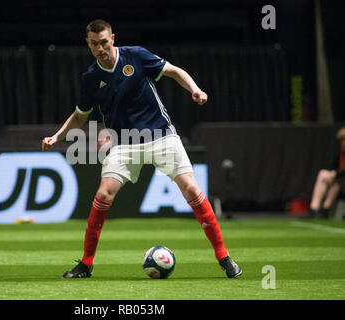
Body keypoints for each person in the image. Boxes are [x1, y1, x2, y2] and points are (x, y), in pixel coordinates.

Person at [42, 19, 242, 279]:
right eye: (94, 44)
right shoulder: (91, 78)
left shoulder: (135, 55)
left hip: (161, 135)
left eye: (104, 42)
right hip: (123, 141)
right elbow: (80, 115)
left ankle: (224, 257)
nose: (100, 48)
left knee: (192, 189)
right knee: (103, 194)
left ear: (112, 38)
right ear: (88, 44)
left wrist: (195, 89)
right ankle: (86, 264)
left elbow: (174, 71)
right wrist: (57, 137)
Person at [309, 126, 345, 217]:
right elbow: (333, 167)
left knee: (337, 180)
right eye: (341, 140)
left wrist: (336, 173)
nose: (343, 143)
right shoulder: (340, 153)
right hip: (340, 181)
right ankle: (316, 208)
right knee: (324, 175)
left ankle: (324, 209)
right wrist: (334, 174)